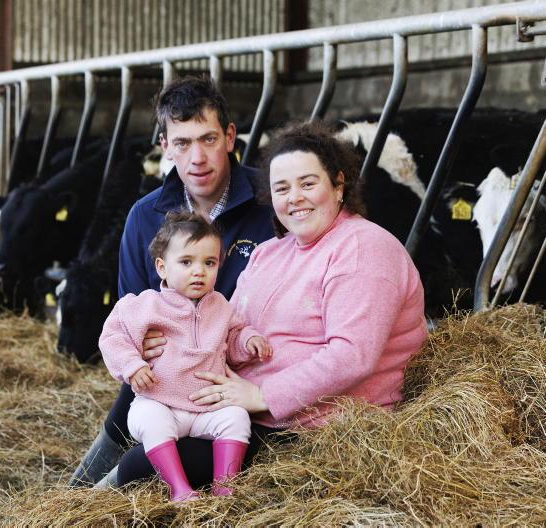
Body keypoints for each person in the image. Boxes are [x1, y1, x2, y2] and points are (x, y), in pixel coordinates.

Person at [105, 120, 429, 488]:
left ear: (338, 185)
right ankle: (77, 492)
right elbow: (234, 328)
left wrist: (260, 395)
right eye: (282, 188)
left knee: (141, 467)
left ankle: (87, 497)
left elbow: (352, 355)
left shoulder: (362, 249)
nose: (294, 198)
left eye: (308, 184)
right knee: (139, 398)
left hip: (314, 424)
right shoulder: (270, 252)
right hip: (245, 404)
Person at [69, 76, 275, 486]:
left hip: (245, 380)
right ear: (165, 147)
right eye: (182, 143)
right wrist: (139, 346)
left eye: (208, 139)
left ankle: (101, 493)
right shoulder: (144, 217)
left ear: (230, 137)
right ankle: (77, 494)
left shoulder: (270, 202)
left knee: (149, 464)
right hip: (169, 378)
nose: (197, 157)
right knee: (136, 395)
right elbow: (130, 311)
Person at [99, 211, 272, 501]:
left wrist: (249, 341)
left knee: (236, 418)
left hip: (206, 408)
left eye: (209, 263)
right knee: (151, 421)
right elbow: (113, 337)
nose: (199, 271)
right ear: (162, 267)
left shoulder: (221, 307)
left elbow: (234, 337)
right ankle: (179, 488)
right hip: (160, 401)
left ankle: (225, 486)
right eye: (186, 262)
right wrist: (132, 365)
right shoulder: (146, 306)